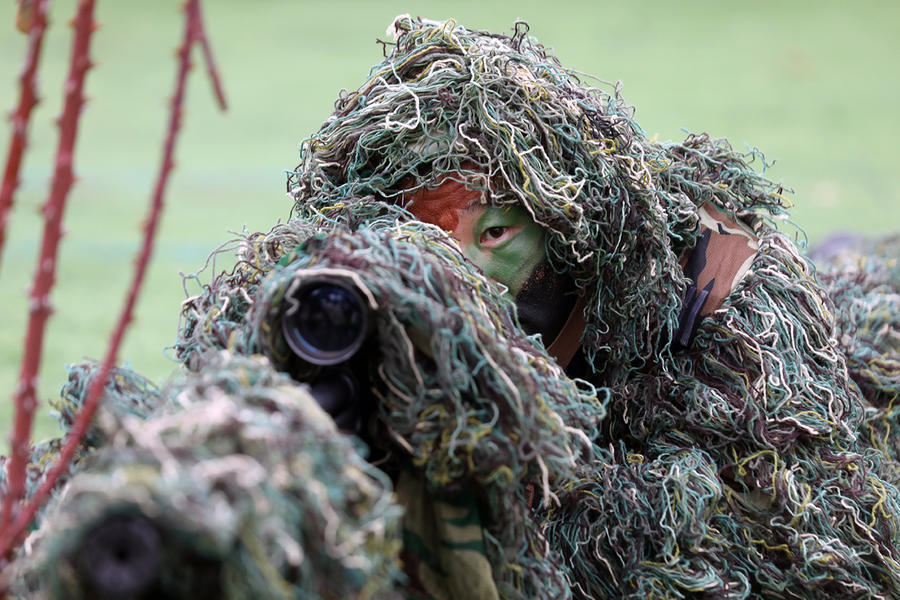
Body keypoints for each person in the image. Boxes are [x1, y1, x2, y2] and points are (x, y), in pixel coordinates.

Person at [287, 15, 900, 598]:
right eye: (429, 246)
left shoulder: (723, 296)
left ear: (569, 226)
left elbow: (791, 549)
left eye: (494, 235)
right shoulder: (383, 317)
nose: (464, 277)